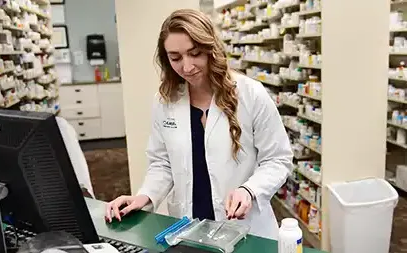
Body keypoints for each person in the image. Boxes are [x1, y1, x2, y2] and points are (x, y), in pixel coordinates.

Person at [105, 9, 293, 240]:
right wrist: (144, 196)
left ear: (210, 49)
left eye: (195, 54)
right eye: (175, 58)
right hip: (189, 227)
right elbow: (162, 163)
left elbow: (278, 159)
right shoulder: (166, 101)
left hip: (244, 226)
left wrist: (249, 190)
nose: (186, 67)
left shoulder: (250, 94)